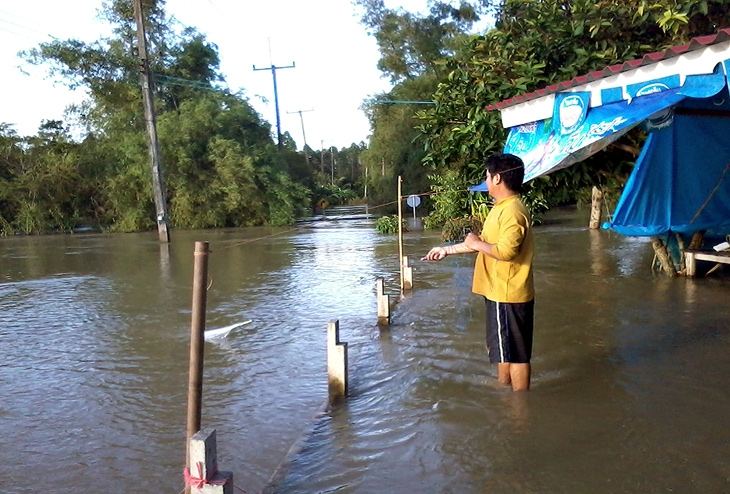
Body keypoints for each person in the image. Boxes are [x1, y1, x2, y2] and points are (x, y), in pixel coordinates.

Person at [422, 153, 535, 391]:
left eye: (486, 175)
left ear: (496, 179)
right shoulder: (501, 208)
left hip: (507, 293)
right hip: (499, 291)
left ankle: (519, 413)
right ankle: (504, 393)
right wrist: (446, 250)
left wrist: (475, 243)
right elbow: (484, 243)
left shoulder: (513, 211)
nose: (485, 180)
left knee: (516, 355)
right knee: (504, 350)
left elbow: (505, 252)